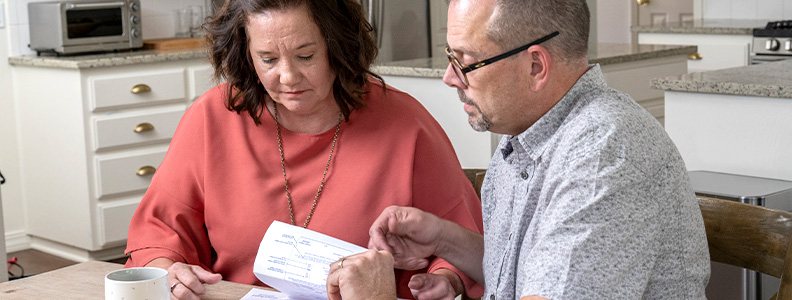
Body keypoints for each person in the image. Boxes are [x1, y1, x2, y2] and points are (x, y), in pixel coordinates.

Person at [326, 0, 711, 299]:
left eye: (464, 62)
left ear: (535, 67)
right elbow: (534, 271)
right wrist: (443, 239)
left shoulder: (603, 157)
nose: (448, 78)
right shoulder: (527, 135)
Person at [123, 0, 484, 299]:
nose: (288, 77)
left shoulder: (406, 124)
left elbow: (465, 241)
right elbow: (159, 233)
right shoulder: (211, 117)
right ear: (246, 55)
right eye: (267, 59)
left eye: (306, 56)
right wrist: (168, 271)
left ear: (338, 47)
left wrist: (448, 279)